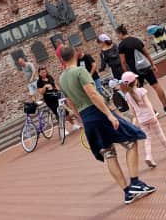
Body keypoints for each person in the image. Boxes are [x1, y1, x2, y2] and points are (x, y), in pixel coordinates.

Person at [58, 46, 155, 205]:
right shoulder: (80, 71)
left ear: (62, 59)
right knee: (132, 139)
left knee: (108, 153)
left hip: (86, 117)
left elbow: (70, 102)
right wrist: (109, 115)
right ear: (75, 54)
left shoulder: (62, 79)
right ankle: (135, 183)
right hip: (98, 113)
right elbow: (93, 94)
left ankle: (127, 192)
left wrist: (81, 121)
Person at [122, 71, 166, 168]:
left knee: (147, 138)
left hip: (141, 119)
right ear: (135, 81)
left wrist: (136, 119)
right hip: (150, 116)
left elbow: (132, 110)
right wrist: (153, 115)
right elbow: (148, 104)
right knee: (159, 133)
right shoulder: (141, 91)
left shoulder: (127, 96)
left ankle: (149, 156)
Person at [116, 24, 166, 116]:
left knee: (139, 91)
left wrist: (127, 73)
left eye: (117, 35)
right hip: (146, 67)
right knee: (156, 86)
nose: (118, 37)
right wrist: (153, 64)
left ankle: (153, 111)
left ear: (120, 34)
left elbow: (123, 62)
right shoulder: (136, 40)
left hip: (135, 72)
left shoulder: (121, 45)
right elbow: (146, 53)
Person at [36, 66, 81, 133]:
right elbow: (41, 92)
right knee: (58, 114)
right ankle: (63, 130)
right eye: (42, 72)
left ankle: (73, 125)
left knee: (66, 112)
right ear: (39, 73)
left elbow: (55, 85)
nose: (44, 73)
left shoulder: (49, 77)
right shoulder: (39, 82)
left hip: (56, 96)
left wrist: (60, 91)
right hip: (50, 100)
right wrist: (45, 87)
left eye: (45, 72)